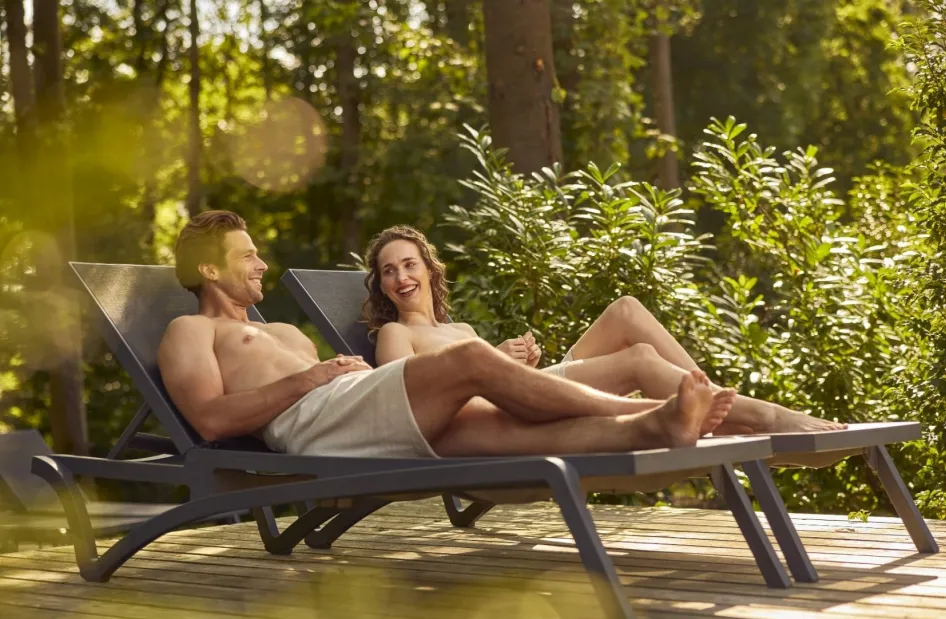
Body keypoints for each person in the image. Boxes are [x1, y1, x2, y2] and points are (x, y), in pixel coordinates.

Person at [157, 210, 736, 460]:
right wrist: (317, 374)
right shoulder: (190, 330)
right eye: (248, 255)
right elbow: (211, 419)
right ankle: (655, 413)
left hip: (351, 405)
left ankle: (656, 424)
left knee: (506, 425)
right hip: (319, 426)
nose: (261, 264)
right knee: (469, 361)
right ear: (210, 269)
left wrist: (325, 371)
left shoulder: (278, 327)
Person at [365, 225, 846, 436]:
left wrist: (514, 360)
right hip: (509, 409)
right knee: (638, 359)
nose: (402, 277)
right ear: (383, 286)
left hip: (522, 388)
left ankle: (712, 402)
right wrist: (499, 369)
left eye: (409, 264)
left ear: (429, 270)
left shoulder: (460, 327)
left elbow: (473, 370)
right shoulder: (393, 333)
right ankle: (762, 415)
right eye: (389, 272)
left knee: (626, 310)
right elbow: (411, 396)